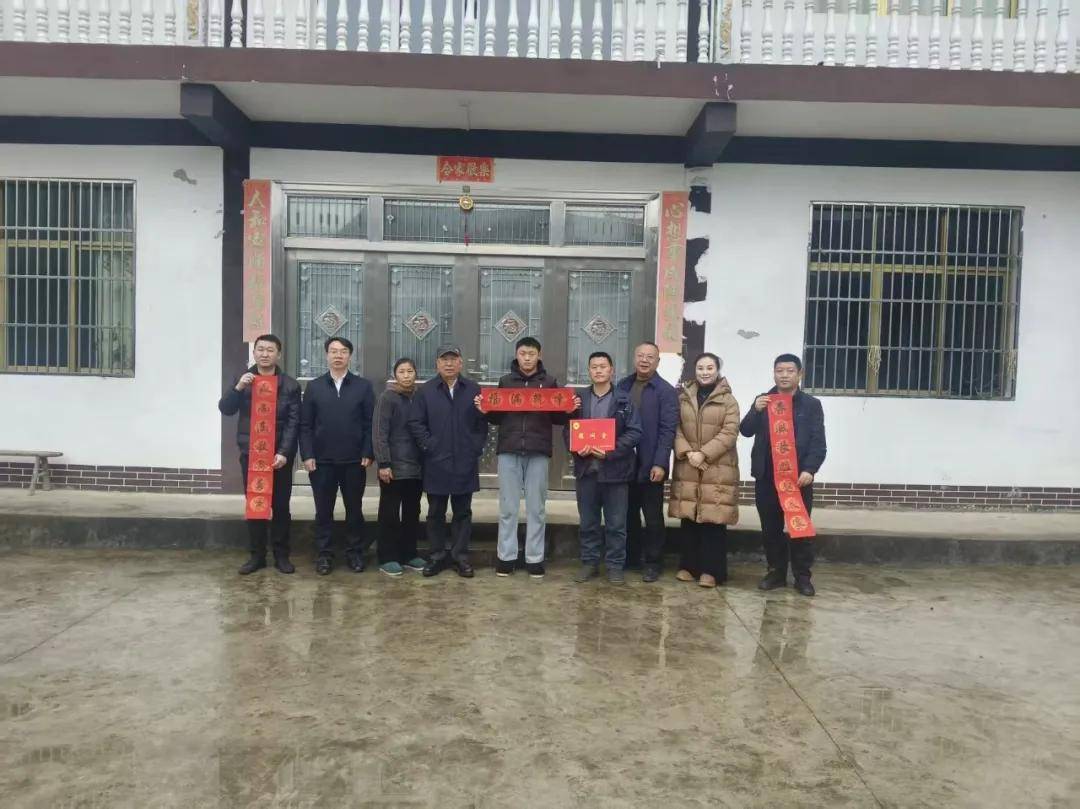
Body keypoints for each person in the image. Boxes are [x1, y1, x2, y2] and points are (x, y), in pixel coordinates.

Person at [475, 336, 572, 580]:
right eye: (523, 353)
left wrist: (568, 410)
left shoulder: (549, 382)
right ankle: (506, 557)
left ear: (539, 356)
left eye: (531, 354)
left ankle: (534, 558)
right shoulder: (506, 382)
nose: (527, 358)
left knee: (536, 507)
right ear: (517, 355)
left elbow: (558, 419)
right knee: (508, 507)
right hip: (509, 450)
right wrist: (485, 411)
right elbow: (496, 418)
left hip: (538, 451)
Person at [740, 353, 827, 597]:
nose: (784, 375)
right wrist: (754, 410)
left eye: (790, 371)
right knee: (771, 528)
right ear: (774, 373)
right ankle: (776, 573)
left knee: (800, 528)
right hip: (767, 476)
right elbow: (745, 430)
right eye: (780, 371)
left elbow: (818, 442)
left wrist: (810, 469)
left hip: (797, 479)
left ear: (800, 374)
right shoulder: (764, 400)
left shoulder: (811, 405)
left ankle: (802, 577)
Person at [218, 334, 301, 575]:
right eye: (260, 349)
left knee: (280, 506)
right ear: (254, 353)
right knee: (255, 504)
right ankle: (257, 556)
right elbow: (226, 409)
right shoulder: (244, 380)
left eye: (270, 350)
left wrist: (284, 452)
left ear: (279, 354)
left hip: (278, 457)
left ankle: (281, 555)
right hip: (252, 453)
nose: (265, 354)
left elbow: (294, 422)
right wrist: (238, 388)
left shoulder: (290, 385)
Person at [408, 345, 488, 579]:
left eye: (453, 359)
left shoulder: (473, 389)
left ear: (461, 363)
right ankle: (436, 556)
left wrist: (475, 447)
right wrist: (429, 445)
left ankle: (460, 557)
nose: (449, 363)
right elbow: (416, 423)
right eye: (444, 359)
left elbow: (481, 422)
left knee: (463, 512)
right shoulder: (426, 391)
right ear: (437, 364)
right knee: (435, 512)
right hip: (436, 461)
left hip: (465, 460)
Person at [299, 336, 375, 576]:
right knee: (323, 511)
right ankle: (324, 555)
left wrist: (368, 451)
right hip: (322, 461)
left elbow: (369, 423)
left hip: (354, 460)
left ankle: (355, 553)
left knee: (354, 510)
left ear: (350, 356)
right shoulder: (314, 387)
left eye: (343, 351)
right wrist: (307, 454)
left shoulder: (363, 386)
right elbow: (305, 425)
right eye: (333, 351)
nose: (338, 355)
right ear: (326, 355)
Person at [566, 351, 643, 585]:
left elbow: (635, 432)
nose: (598, 370)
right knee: (588, 522)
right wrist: (575, 448)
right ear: (589, 371)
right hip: (586, 471)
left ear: (611, 370)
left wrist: (611, 451)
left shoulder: (623, 400)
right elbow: (568, 430)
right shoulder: (578, 400)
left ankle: (615, 566)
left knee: (616, 524)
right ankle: (589, 563)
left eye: (603, 366)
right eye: (594, 367)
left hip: (616, 472)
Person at [668, 352, 741, 588]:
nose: (705, 372)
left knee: (713, 518)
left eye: (710, 368)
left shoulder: (728, 400)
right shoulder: (683, 397)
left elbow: (730, 432)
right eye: (700, 368)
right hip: (688, 464)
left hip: (717, 466)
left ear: (717, 370)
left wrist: (704, 453)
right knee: (689, 517)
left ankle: (712, 571)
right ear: (695, 370)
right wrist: (688, 452)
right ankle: (688, 566)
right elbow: (675, 427)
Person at [616, 341, 678, 582]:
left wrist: (660, 463)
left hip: (650, 463)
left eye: (650, 357)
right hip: (624, 462)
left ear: (657, 362)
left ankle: (653, 562)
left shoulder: (665, 391)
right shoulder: (623, 386)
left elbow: (668, 430)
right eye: (640, 355)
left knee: (652, 517)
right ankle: (631, 557)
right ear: (634, 358)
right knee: (627, 513)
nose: (644, 360)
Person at [372, 357, 428, 577]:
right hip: (393, 466)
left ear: (416, 374)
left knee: (412, 512)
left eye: (410, 371)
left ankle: (409, 554)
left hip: (416, 467)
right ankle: (387, 557)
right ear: (395, 375)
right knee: (390, 513)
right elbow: (379, 432)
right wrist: (383, 463)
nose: (406, 375)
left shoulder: (420, 397)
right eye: (402, 372)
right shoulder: (387, 397)